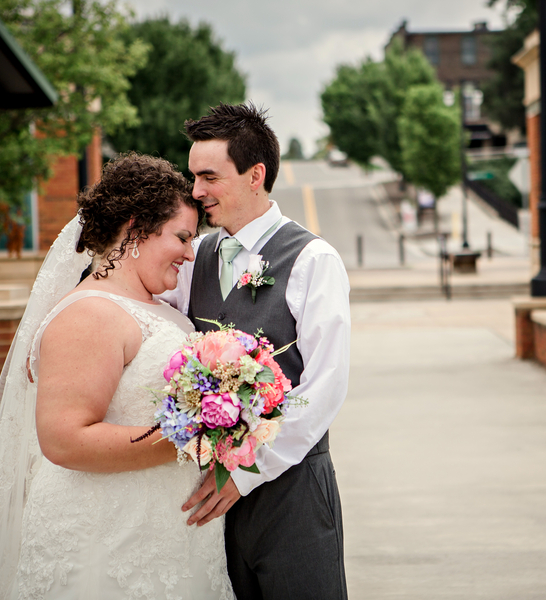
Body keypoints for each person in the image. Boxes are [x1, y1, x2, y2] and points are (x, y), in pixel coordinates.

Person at [0, 154, 235, 599]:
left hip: (164, 537)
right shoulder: (90, 314)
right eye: (183, 237)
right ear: (135, 229)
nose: (191, 253)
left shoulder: (159, 310)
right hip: (105, 542)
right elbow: (65, 440)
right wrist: (189, 438)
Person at [158, 103, 350, 599]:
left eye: (208, 177)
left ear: (255, 176)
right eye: (193, 176)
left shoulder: (313, 260)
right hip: (206, 495)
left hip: (293, 491)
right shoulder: (193, 255)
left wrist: (245, 474)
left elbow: (325, 386)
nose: (195, 191)